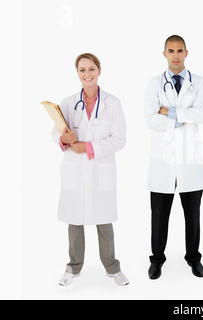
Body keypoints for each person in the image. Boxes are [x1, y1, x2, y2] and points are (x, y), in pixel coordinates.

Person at [52, 53, 129, 286]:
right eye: (82, 70)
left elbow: (120, 139)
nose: (87, 74)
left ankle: (112, 268)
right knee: (74, 222)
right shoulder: (66, 103)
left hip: (100, 170)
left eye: (91, 69)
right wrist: (64, 137)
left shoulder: (113, 103)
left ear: (99, 71)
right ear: (77, 73)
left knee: (104, 222)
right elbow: (55, 132)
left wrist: (87, 146)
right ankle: (73, 269)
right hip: (75, 171)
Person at [144, 35, 203, 280]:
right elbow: (150, 120)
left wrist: (167, 112)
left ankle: (194, 258)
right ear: (164, 54)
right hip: (162, 162)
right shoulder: (154, 84)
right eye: (171, 51)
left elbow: (201, 115)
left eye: (180, 50)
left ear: (186, 53)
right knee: (159, 215)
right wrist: (183, 118)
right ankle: (157, 260)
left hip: (190, 161)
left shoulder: (199, 83)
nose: (176, 55)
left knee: (193, 215)